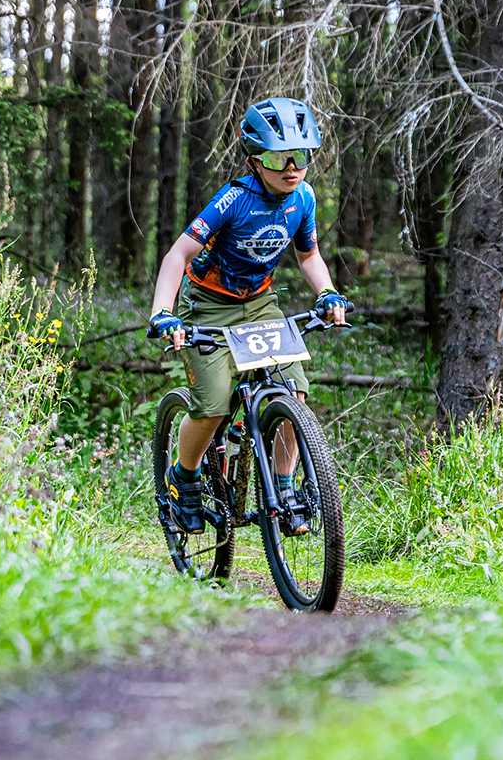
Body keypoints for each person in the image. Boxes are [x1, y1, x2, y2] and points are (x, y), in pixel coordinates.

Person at [147, 96, 351, 537]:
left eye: (301, 156)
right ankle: (184, 479)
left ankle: (284, 488)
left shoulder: (304, 198)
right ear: (255, 160)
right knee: (214, 404)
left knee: (294, 391)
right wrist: (163, 313)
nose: (292, 168)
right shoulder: (233, 200)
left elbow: (309, 255)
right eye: (279, 158)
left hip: (259, 304)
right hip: (207, 304)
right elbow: (178, 255)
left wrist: (328, 292)